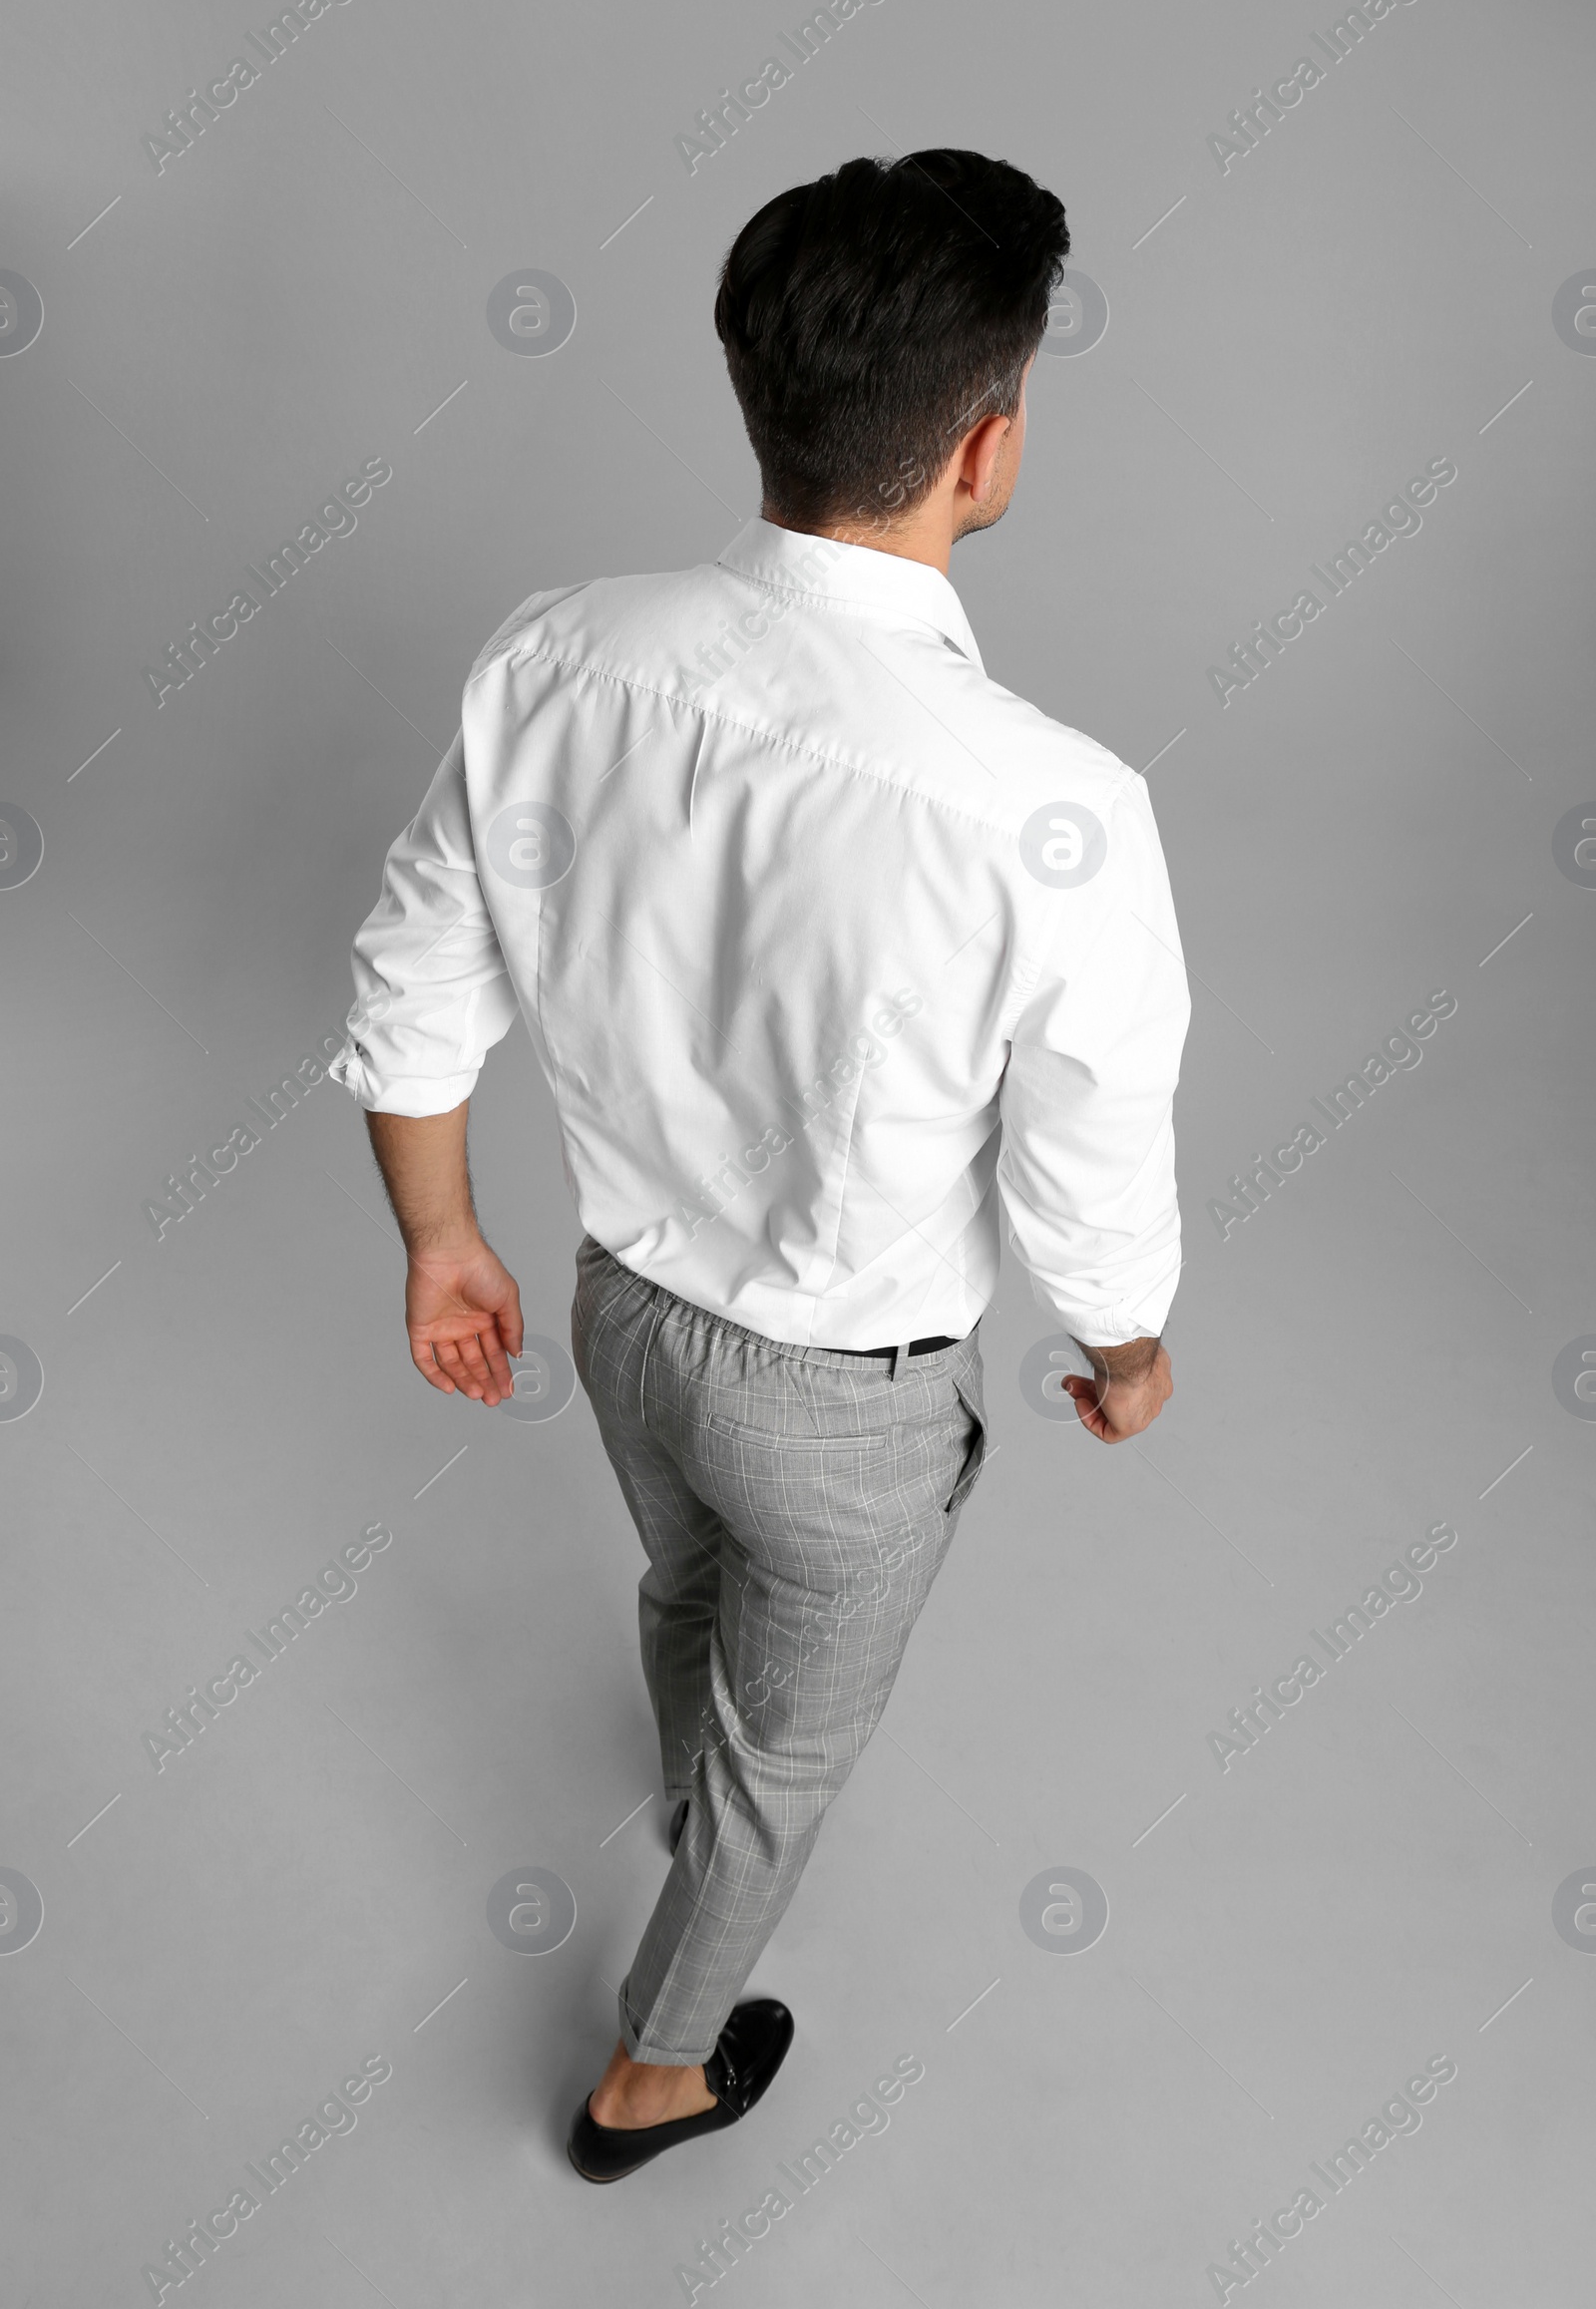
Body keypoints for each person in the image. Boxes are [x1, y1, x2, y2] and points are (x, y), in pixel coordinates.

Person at [330, 148, 1190, 2184]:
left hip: (623, 1317)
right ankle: (656, 2066)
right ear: (982, 444)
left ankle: (674, 1786)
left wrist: (441, 1236)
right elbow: (1089, 1139)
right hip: (844, 1403)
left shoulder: (557, 650)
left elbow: (412, 963)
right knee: (786, 1755)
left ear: (756, 394)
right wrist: (1126, 1340)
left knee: (679, 1580)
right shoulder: (1053, 804)